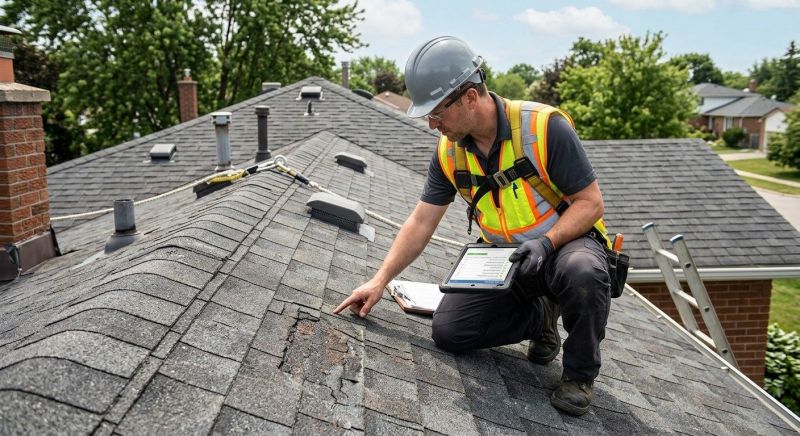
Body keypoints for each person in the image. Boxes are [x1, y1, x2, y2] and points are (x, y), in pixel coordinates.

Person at [334, 36, 611, 416]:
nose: (432, 124)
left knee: (584, 272)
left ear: (469, 97)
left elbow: (591, 203)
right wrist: (379, 280)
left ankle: (579, 375)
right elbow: (421, 221)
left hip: (565, 245)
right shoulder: (449, 153)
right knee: (450, 332)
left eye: (437, 112)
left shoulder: (544, 128)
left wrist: (547, 243)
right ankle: (540, 317)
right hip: (506, 257)